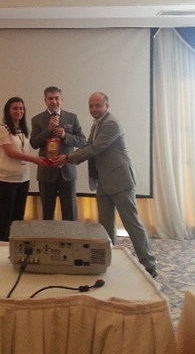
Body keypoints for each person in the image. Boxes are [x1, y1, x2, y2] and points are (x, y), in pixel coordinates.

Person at [52, 92, 157, 277]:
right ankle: (111, 260)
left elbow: (95, 148)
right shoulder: (97, 124)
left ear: (107, 106)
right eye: (91, 105)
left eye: (98, 105)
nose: (94, 109)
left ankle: (149, 265)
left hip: (120, 181)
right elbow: (88, 146)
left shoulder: (111, 124)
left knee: (132, 224)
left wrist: (68, 158)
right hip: (104, 181)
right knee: (105, 225)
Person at [0, 97, 49, 242]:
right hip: (6, 179)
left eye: (21, 108)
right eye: (15, 108)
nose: (19, 111)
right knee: (5, 216)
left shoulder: (23, 130)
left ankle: (13, 245)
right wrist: (34, 159)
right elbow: (10, 152)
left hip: (23, 178)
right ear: (8, 111)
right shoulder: (3, 129)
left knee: (18, 216)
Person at [30, 86, 86, 221]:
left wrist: (65, 135)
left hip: (67, 171)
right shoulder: (37, 119)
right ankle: (48, 234)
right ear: (45, 101)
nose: (54, 102)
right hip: (46, 172)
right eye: (50, 99)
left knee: (70, 212)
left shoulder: (72, 117)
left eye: (56, 98)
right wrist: (48, 130)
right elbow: (34, 143)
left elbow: (82, 141)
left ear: (62, 100)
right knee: (47, 213)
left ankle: (70, 234)